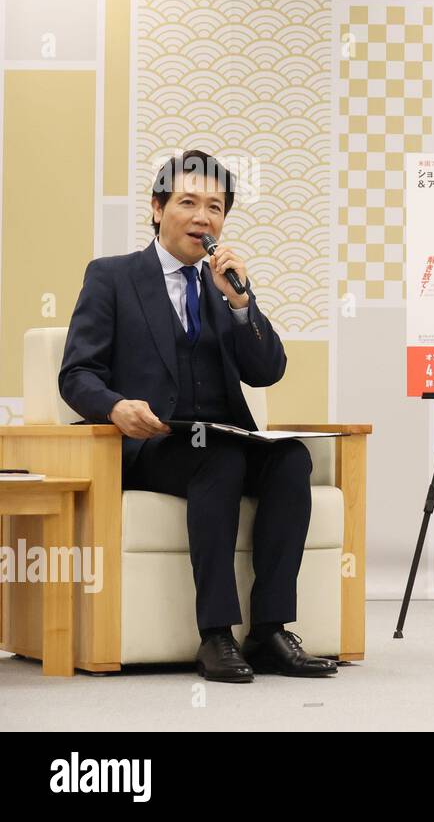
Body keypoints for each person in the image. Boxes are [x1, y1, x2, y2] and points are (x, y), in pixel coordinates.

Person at [58, 149, 337, 683]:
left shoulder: (221, 283)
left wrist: (240, 305)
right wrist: (116, 407)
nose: (203, 217)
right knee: (222, 461)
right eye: (188, 202)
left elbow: (267, 371)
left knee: (290, 460)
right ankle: (215, 635)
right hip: (154, 444)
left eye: (215, 206)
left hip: (224, 437)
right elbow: (76, 374)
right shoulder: (112, 277)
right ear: (158, 208)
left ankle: (270, 630)